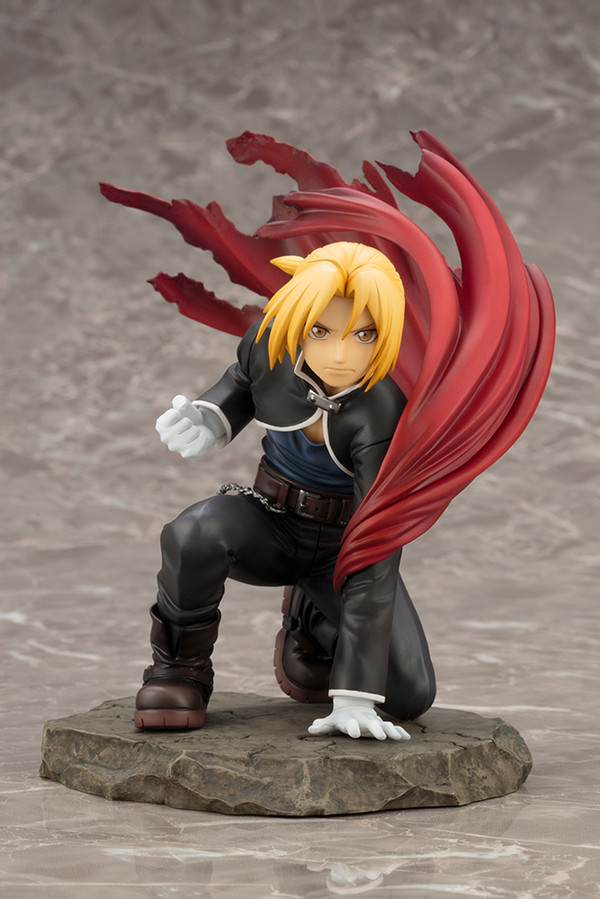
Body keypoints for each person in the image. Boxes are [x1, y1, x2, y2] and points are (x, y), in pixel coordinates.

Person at [135, 241, 436, 740]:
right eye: (321, 331)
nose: (340, 354)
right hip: (268, 521)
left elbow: (376, 546)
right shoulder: (269, 344)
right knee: (192, 534)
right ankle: (179, 670)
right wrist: (209, 419)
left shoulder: (384, 410)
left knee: (409, 695)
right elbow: (240, 383)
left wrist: (355, 696)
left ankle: (313, 623)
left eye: (364, 334)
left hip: (343, 549)